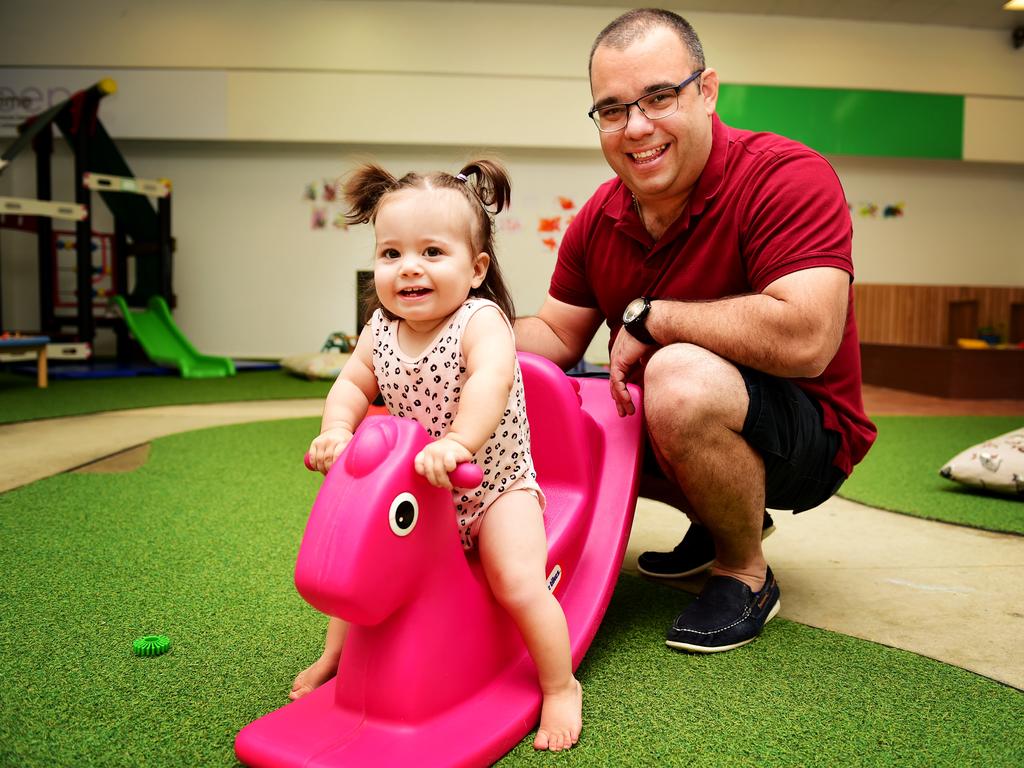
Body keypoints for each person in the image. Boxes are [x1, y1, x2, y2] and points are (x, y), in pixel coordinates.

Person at [515, 8, 877, 653]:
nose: (637, 127)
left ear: (707, 92)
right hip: (702, 420)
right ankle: (715, 520)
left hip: (810, 436)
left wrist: (653, 318)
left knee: (675, 371)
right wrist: (454, 327)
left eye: (658, 96)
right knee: (539, 387)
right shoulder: (599, 217)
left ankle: (743, 570)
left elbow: (807, 340)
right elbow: (552, 335)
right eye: (612, 108)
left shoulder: (785, 176)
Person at [292, 159, 582, 751]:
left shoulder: (482, 321)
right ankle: (334, 657)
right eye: (391, 253)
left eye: (431, 252)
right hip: (421, 496)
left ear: (475, 270)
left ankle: (559, 685)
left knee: (518, 581)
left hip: (494, 488)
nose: (408, 269)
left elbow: (490, 384)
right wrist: (335, 431)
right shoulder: (379, 328)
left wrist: (457, 444)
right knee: (362, 561)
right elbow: (351, 384)